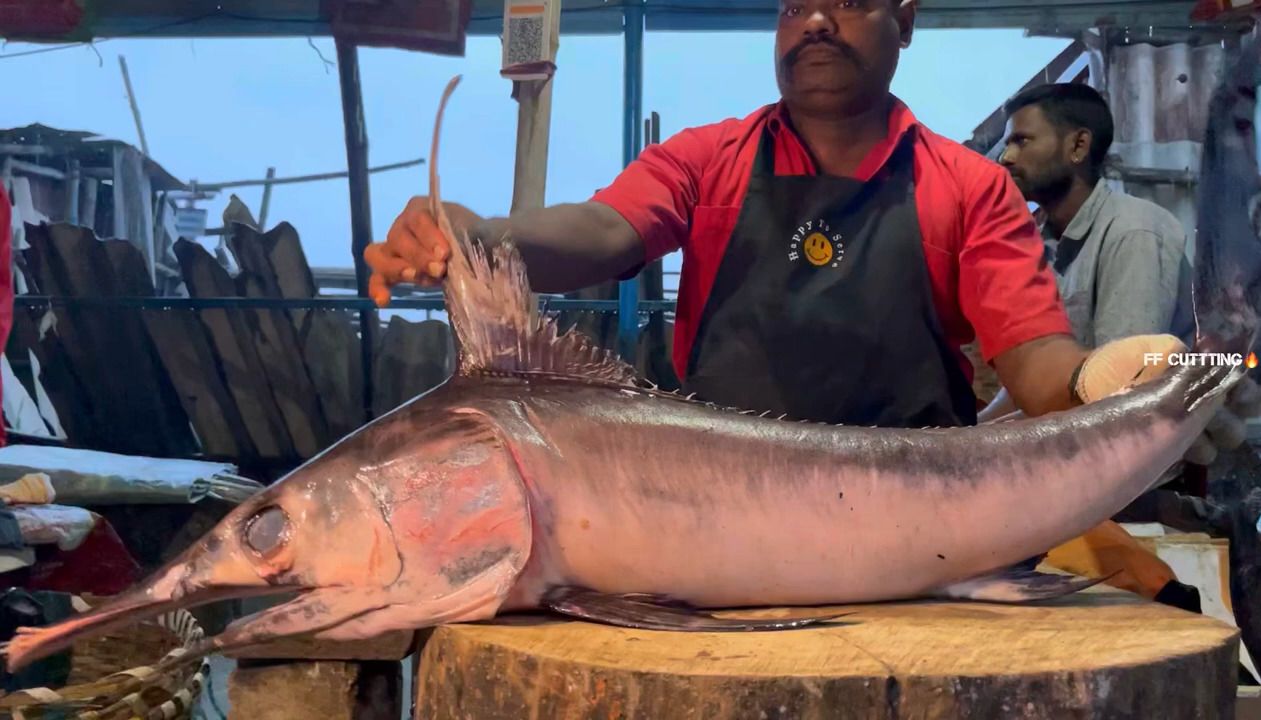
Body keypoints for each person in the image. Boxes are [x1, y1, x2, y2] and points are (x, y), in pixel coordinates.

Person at [366, 1, 1245, 487]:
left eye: (850, 0)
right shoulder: (708, 158)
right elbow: (603, 232)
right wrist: (482, 235)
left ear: (904, 19)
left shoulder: (969, 186)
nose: (816, 21)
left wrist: (1103, 380)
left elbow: (1035, 366)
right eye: (795, 4)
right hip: (714, 496)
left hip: (918, 507)